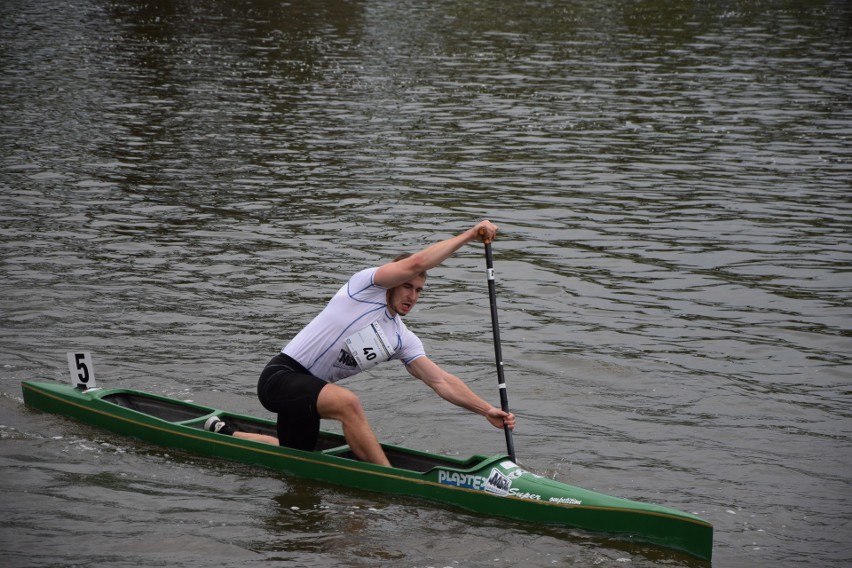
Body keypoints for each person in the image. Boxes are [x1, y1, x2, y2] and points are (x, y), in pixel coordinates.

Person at [205, 220, 515, 466]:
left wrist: (485, 409)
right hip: (280, 378)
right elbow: (417, 261)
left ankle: (227, 433)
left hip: (308, 395)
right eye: (407, 286)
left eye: (419, 290)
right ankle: (389, 479)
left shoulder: (400, 337)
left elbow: (440, 381)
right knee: (349, 404)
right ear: (394, 282)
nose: (412, 295)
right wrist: (469, 235)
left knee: (296, 455)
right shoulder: (364, 287)